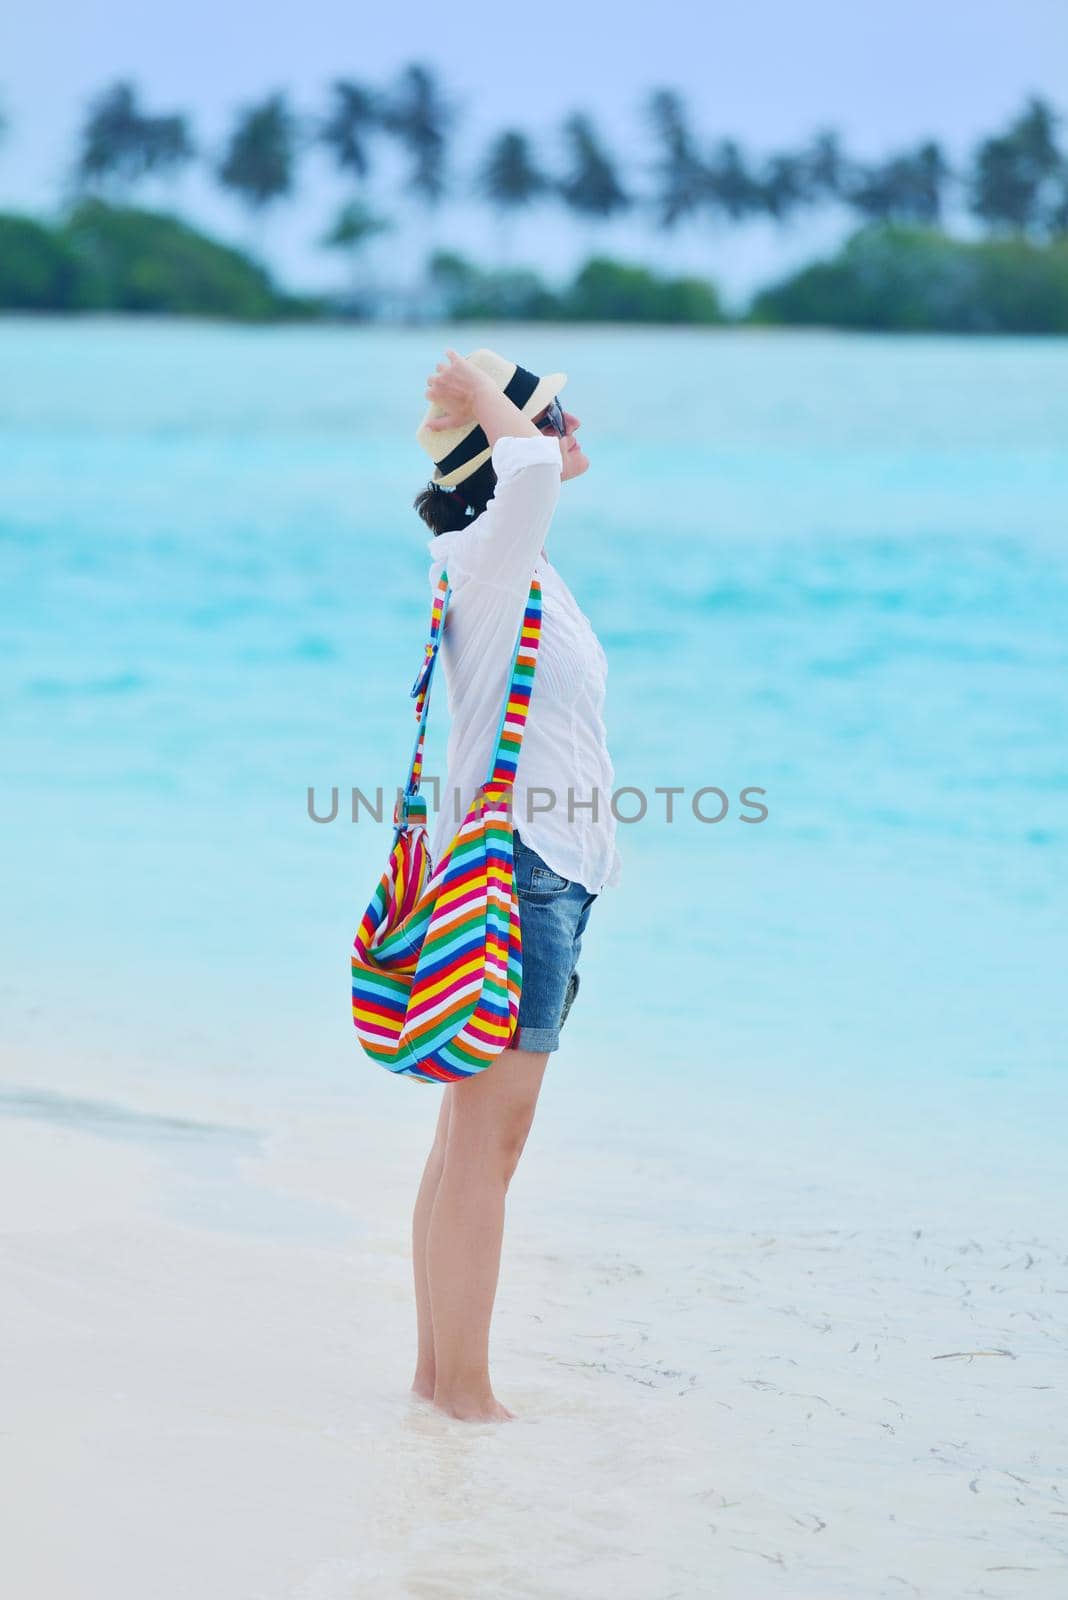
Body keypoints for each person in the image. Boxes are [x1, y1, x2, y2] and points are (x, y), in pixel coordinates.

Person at [408, 347, 622, 1422]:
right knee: (487, 1145)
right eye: (556, 415)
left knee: (464, 1141)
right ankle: (467, 1396)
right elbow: (532, 466)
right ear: (500, 447)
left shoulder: (514, 561)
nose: (574, 430)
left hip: (548, 877)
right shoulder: (489, 549)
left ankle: (435, 1380)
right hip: (521, 877)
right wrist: (490, 396)